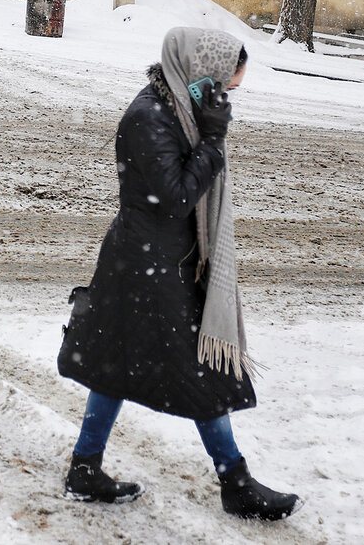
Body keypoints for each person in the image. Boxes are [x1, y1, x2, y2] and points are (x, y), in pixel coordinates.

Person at [56, 26, 300, 521]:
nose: (224, 100)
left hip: (157, 261)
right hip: (150, 268)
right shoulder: (149, 118)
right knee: (201, 373)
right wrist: (212, 142)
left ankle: (85, 467)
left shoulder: (175, 111)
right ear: (199, 75)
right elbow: (175, 198)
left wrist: (206, 136)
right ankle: (235, 483)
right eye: (223, 88)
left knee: (116, 364)